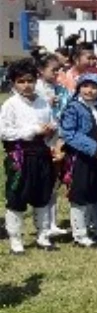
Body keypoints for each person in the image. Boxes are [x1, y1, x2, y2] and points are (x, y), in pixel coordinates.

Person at [1, 59, 59, 253]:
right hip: (20, 155)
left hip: (42, 154)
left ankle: (43, 236)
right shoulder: (10, 105)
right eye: (21, 81)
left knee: (43, 194)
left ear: (36, 80)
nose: (26, 85)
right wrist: (32, 130)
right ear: (14, 83)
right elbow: (4, 132)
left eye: (30, 80)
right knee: (17, 195)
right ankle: (16, 240)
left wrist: (51, 130)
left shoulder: (43, 102)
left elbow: (52, 122)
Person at [59, 73, 97, 247]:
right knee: (80, 194)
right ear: (79, 87)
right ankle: (79, 235)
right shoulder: (73, 108)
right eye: (86, 86)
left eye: (94, 87)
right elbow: (68, 132)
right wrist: (92, 148)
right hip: (81, 157)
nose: (90, 90)